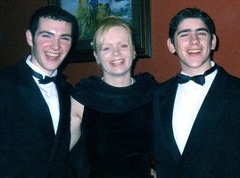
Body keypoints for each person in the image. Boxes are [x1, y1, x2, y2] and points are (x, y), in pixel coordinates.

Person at [153, 7, 240, 177]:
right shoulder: (157, 95)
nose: (194, 41)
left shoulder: (236, 91)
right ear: (171, 45)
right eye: (184, 34)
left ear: (213, 41)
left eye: (201, 33)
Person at [69, 16, 156, 177]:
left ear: (134, 51)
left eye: (123, 45)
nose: (116, 53)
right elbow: (58, 152)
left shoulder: (150, 91)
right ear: (96, 56)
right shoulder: (84, 95)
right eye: (106, 48)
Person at [0, 6, 78, 177]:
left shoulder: (70, 92)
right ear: (30, 37)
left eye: (64, 38)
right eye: (46, 36)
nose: (56, 46)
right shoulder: (4, 84)